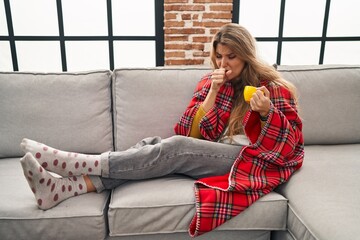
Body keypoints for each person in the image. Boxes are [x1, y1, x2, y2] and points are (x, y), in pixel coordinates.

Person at [20, 23, 304, 236]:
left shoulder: (273, 88)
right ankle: (65, 188)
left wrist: (268, 113)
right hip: (215, 156)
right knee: (150, 144)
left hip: (248, 161)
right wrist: (213, 94)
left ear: (246, 55)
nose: (223, 64)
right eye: (219, 56)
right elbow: (190, 133)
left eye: (231, 57)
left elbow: (291, 146)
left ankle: (75, 163)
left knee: (174, 148)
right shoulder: (212, 83)